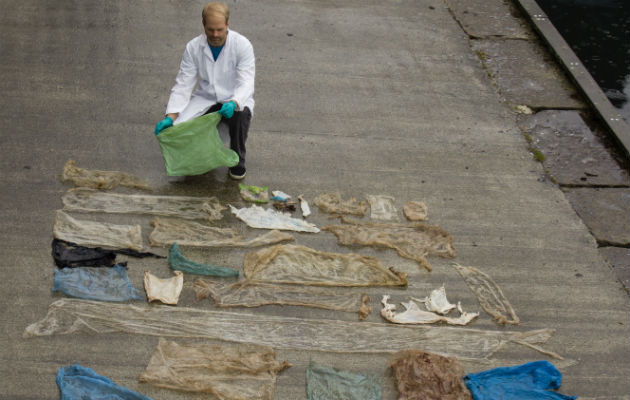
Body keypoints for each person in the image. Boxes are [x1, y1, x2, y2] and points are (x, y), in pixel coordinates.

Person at [155, 2, 255, 180]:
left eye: (219, 29)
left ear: (227, 24)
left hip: (235, 99)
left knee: (240, 116)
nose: (215, 35)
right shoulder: (193, 48)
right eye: (210, 30)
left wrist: (235, 101)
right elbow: (183, 83)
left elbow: (246, 82)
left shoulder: (242, 45)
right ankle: (200, 158)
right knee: (181, 128)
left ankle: (238, 160)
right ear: (203, 24)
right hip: (206, 98)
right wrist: (171, 116)